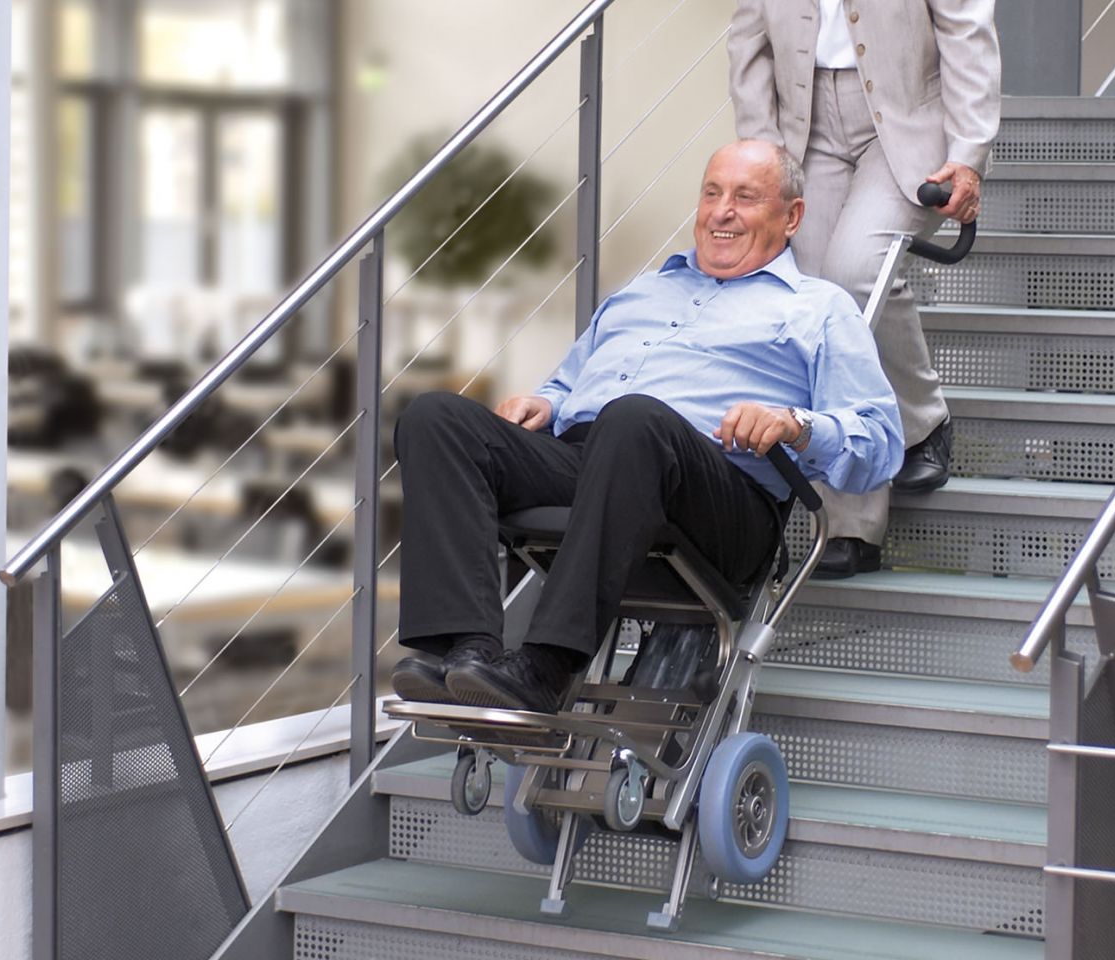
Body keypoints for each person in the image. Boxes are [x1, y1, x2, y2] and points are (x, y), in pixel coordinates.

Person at [389, 139, 904, 714]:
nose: (722, 211)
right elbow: (570, 382)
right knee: (436, 418)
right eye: (712, 193)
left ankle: (547, 666)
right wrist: (548, 404)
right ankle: (466, 653)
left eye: (745, 197)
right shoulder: (641, 291)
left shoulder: (820, 307)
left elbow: (881, 444)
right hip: (600, 460)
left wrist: (796, 424)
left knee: (635, 419)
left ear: (792, 216)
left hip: (719, 495)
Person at [728, 0, 1001, 577]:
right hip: (803, 127)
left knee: (854, 272)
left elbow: (965, 26)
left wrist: (969, 151)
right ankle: (849, 524)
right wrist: (763, 153)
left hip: (907, 120)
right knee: (814, 301)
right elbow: (749, 44)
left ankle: (921, 421)